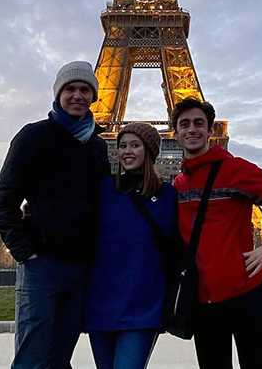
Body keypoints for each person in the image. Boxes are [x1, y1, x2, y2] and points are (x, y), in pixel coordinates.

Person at [0, 61, 111, 369]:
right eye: (70, 89)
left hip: (81, 267)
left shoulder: (97, 148)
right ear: (58, 94)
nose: (77, 95)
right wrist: (26, 252)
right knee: (32, 359)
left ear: (94, 95)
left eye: (85, 89)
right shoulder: (33, 137)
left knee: (59, 358)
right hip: (41, 265)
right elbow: (3, 200)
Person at [171, 97, 262, 369]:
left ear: (210, 131)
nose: (192, 129)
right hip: (202, 300)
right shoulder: (177, 184)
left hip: (246, 293)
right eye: (184, 124)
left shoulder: (234, 170)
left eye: (199, 123)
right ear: (176, 133)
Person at [84, 122, 176, 369]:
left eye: (135, 145)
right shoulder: (103, 189)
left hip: (142, 306)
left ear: (149, 151)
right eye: (122, 145)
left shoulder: (168, 196)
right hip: (101, 304)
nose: (127, 151)